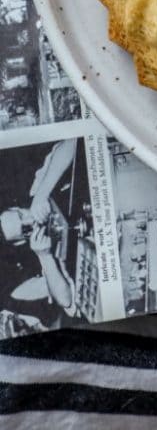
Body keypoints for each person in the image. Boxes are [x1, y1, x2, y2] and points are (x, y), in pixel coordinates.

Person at [0, 139, 78, 326]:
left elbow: (72, 142)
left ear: (14, 206)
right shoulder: (23, 272)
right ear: (19, 242)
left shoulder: (34, 189)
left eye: (20, 213)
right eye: (25, 228)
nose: (30, 219)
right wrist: (44, 256)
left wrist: (42, 194)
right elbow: (66, 300)